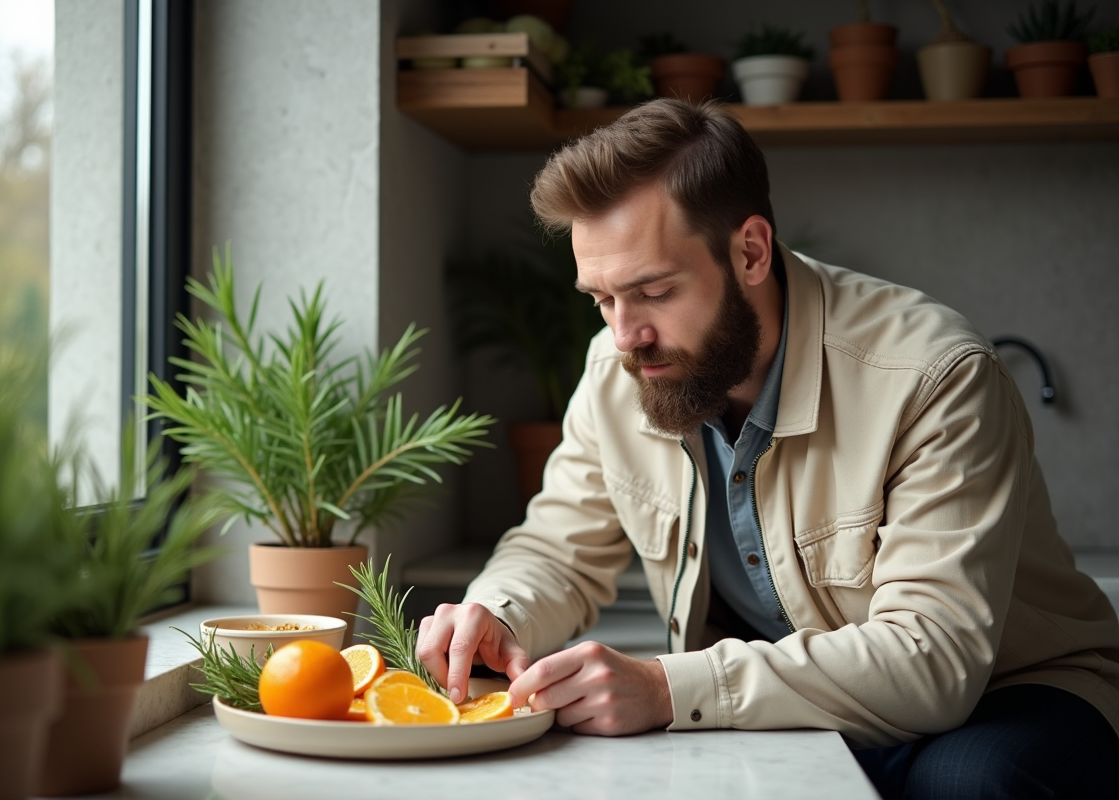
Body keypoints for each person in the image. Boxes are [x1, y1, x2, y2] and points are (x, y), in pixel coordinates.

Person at [415, 99, 1119, 798]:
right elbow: (556, 550)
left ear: (750, 250)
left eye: (653, 291)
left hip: (1012, 694)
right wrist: (497, 615)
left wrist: (667, 688)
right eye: (600, 299)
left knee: (965, 784)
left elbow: (931, 661)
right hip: (792, 710)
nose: (625, 335)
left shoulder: (935, 376)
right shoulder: (619, 370)